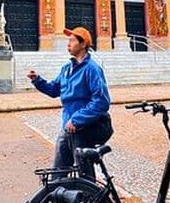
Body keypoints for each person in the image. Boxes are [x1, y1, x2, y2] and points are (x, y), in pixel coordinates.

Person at [27, 27, 112, 184]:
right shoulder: (67, 69)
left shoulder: (92, 69)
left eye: (72, 40)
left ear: (83, 44)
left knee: (84, 173)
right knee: (59, 171)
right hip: (68, 128)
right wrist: (37, 80)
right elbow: (54, 90)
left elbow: (102, 101)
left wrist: (77, 120)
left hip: (83, 128)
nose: (68, 44)